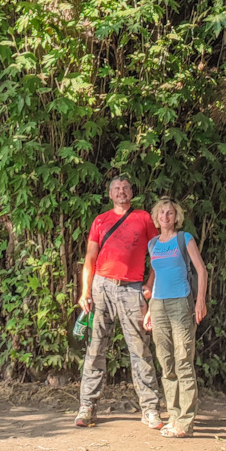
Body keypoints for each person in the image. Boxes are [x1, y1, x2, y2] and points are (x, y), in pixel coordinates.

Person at [75, 176, 163, 429]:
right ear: (110, 194)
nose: (121, 192)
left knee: (140, 350)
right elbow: (90, 257)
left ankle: (150, 408)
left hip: (132, 288)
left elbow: (157, 253)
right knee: (95, 348)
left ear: (131, 193)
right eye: (116, 189)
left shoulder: (144, 218)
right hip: (102, 286)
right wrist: (85, 291)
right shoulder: (100, 221)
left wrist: (150, 283)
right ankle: (86, 406)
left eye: (125, 188)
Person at [142, 196, 208, 438]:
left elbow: (201, 269)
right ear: (156, 217)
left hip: (181, 303)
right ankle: (173, 415)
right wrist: (150, 309)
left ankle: (186, 422)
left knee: (183, 359)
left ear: (176, 217)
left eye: (170, 213)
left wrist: (200, 300)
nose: (165, 217)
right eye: (162, 213)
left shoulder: (184, 239)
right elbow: (157, 276)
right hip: (158, 304)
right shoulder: (153, 244)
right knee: (166, 361)